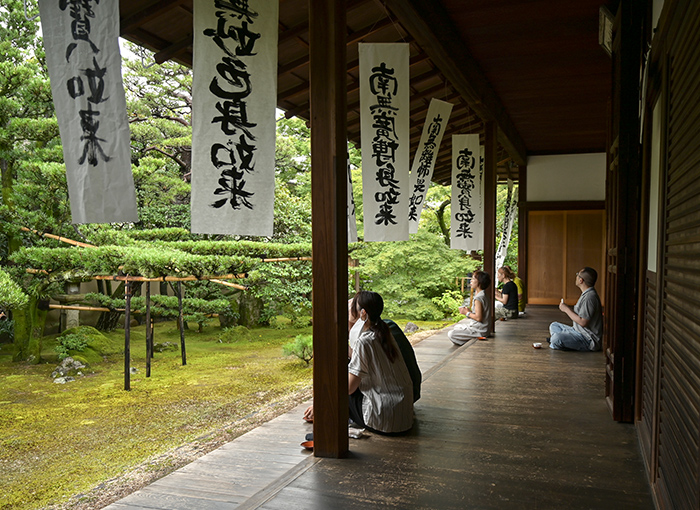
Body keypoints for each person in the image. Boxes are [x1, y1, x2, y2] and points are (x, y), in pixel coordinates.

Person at [348, 291, 414, 433]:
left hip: (383, 420)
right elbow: (358, 356)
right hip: (403, 416)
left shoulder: (364, 341)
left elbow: (349, 388)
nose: (349, 308)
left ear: (363, 313)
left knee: (342, 391)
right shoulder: (385, 332)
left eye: (353, 305)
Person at [548, 267, 603, 351]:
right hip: (576, 330)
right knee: (554, 325)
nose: (576, 276)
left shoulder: (590, 298)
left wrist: (566, 309)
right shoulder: (586, 293)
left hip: (587, 338)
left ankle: (557, 342)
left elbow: (583, 322)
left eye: (577, 275)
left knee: (556, 338)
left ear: (581, 280)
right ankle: (561, 342)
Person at [447, 270, 492, 345]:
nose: (471, 281)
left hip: (479, 330)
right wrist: (470, 312)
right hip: (485, 329)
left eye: (474, 279)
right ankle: (473, 339)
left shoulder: (478, 298)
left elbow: (479, 318)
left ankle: (472, 342)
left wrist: (467, 313)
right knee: (457, 327)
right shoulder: (484, 295)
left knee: (451, 334)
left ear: (479, 282)